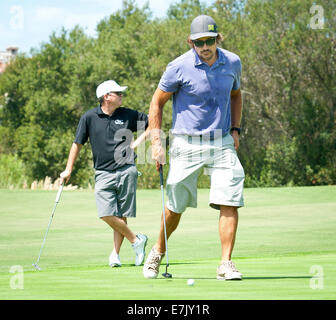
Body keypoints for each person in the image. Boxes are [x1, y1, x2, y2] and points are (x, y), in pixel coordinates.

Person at [143, 15, 245, 280]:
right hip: (186, 142)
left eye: (210, 41)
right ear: (190, 42)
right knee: (176, 206)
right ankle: (157, 251)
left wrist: (235, 128)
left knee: (229, 199)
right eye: (199, 42)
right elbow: (157, 103)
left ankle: (225, 263)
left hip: (221, 141)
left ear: (218, 39)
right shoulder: (178, 67)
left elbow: (236, 94)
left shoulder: (232, 62)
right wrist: (157, 143)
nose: (205, 47)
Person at [60, 80, 148, 268]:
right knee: (106, 213)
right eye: (118, 93)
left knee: (121, 214)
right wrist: (69, 169)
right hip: (103, 172)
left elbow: (152, 123)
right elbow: (77, 143)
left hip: (126, 169)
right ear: (106, 96)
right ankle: (136, 240)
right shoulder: (89, 117)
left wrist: (137, 142)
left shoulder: (128, 114)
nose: (122, 96)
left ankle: (115, 255)